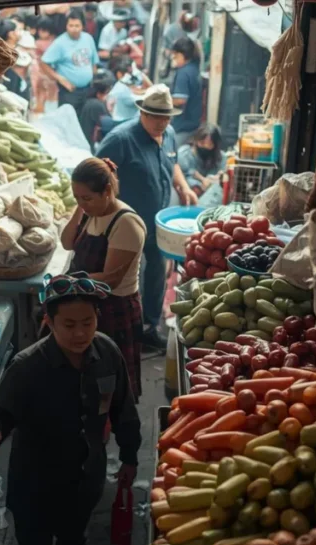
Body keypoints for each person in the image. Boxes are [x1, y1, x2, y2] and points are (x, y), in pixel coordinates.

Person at [0, 273, 141, 545]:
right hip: (34, 485)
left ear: (97, 318)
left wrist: (129, 456)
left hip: (84, 479)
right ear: (50, 322)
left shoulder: (107, 354)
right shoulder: (26, 367)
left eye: (87, 322)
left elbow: (123, 409)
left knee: (73, 543)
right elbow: (2, 412)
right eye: (69, 325)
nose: (80, 333)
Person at [96, 85, 198, 348]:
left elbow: (173, 163)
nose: (162, 123)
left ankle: (150, 326)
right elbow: (96, 176)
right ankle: (116, 331)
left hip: (158, 220)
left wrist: (183, 186)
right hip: (126, 225)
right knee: (123, 277)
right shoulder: (121, 139)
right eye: (156, 117)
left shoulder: (169, 134)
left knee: (156, 271)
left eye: (166, 117)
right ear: (142, 112)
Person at [61, 158, 146, 398]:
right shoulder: (91, 212)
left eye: (87, 198)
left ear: (107, 190)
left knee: (109, 384)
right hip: (87, 302)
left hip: (114, 309)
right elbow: (67, 242)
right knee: (84, 383)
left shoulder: (126, 223)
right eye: (77, 197)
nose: (82, 203)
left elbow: (110, 279)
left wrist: (68, 282)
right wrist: (81, 207)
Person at [41, 8, 100, 114]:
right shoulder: (60, 43)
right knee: (68, 119)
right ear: (66, 26)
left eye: (77, 26)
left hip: (88, 89)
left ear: (82, 26)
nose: (74, 29)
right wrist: (60, 79)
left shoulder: (88, 38)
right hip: (69, 91)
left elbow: (93, 61)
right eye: (71, 25)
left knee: (85, 117)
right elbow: (44, 62)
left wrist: (94, 79)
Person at [177, 124, 226, 204]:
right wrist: (200, 185)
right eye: (202, 143)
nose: (206, 146)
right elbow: (182, 177)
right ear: (196, 140)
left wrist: (216, 179)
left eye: (210, 144)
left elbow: (221, 177)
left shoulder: (221, 157)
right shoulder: (184, 154)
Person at [169, 37, 204, 146]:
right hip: (193, 124)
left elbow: (180, 99)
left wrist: (163, 101)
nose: (174, 59)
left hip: (183, 126)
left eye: (175, 56)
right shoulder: (194, 68)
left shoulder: (183, 73)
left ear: (181, 55)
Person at [105, 54, 151, 128]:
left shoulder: (125, 85)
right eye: (131, 72)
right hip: (123, 125)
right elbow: (150, 93)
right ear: (119, 74)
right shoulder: (120, 90)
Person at [30, 15, 62, 115]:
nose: (41, 33)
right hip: (40, 71)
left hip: (50, 72)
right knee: (40, 91)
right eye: (39, 30)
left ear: (50, 31)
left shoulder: (51, 43)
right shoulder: (40, 42)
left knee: (49, 93)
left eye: (44, 30)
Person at [78, 72, 115, 149]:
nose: (108, 95)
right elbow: (108, 125)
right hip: (92, 145)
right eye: (107, 93)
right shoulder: (97, 105)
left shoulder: (89, 100)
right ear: (99, 94)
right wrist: (110, 109)